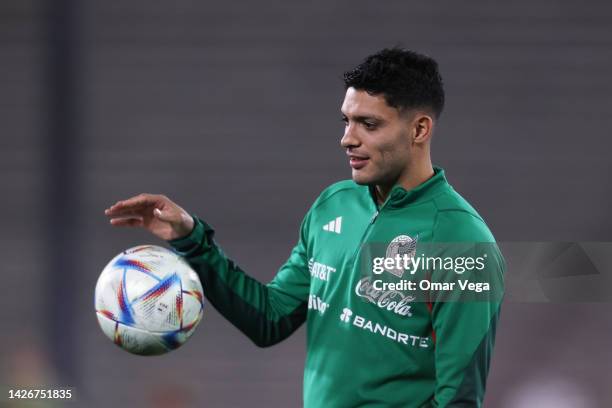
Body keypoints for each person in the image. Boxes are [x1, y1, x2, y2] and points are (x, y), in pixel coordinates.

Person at [105, 48, 504, 407]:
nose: (347, 138)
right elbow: (269, 318)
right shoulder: (334, 205)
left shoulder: (461, 244)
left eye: (369, 124)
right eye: (346, 121)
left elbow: (460, 401)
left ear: (419, 130)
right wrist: (189, 238)